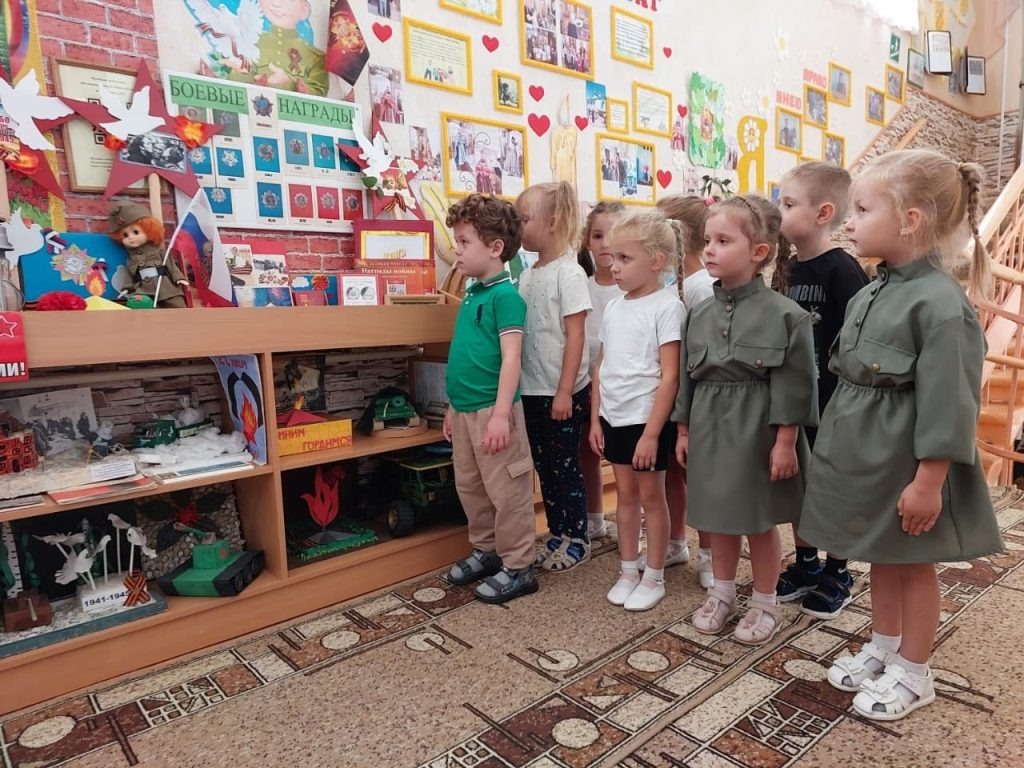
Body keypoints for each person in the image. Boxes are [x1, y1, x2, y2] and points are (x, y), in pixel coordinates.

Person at [799, 150, 1003, 720]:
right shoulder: (872, 290)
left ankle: (915, 671)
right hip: (868, 458)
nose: (849, 221)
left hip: (909, 463)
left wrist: (929, 481)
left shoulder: (941, 304)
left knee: (912, 564)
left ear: (910, 220)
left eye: (863, 210)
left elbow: (950, 402)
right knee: (881, 556)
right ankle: (885, 646)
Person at [674, 195, 817, 645]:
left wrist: (785, 442)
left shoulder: (788, 316)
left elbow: (795, 385)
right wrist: (683, 428)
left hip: (760, 431)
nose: (709, 249)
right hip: (710, 428)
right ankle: (722, 593)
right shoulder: (698, 313)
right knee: (717, 519)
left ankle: (764, 601)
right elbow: (687, 377)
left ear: (759, 252)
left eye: (723, 240)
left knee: (759, 521)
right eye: (707, 240)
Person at [773, 162, 870, 619]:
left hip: (834, 403)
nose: (779, 211)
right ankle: (807, 562)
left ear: (823, 212)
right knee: (799, 486)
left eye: (789, 203)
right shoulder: (787, 268)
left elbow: (858, 335)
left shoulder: (842, 270)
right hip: (797, 401)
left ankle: (838, 569)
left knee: (834, 489)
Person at [441, 194, 538, 604]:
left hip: (495, 412)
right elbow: (465, 355)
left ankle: (519, 565)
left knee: (507, 491)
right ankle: (487, 550)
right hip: (465, 411)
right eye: (457, 242)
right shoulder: (472, 294)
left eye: (464, 242)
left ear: (495, 247)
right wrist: (452, 406)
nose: (457, 251)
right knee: (471, 486)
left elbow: (511, 358)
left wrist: (500, 415)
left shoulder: (505, 297)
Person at [591, 210, 685, 611]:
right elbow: (601, 365)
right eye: (613, 257)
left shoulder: (667, 307)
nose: (614, 266)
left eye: (625, 258)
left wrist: (651, 434)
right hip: (614, 418)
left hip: (647, 421)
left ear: (657, 261)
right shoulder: (614, 307)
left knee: (651, 497)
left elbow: (670, 376)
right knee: (625, 496)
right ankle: (629, 570)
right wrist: (596, 419)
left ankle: (654, 576)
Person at [516, 181, 593, 572]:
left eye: (524, 219)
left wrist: (564, 391)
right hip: (531, 389)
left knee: (565, 468)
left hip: (561, 391)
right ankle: (556, 531)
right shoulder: (527, 275)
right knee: (544, 468)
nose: (518, 227)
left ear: (553, 221)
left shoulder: (570, 273)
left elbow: (576, 335)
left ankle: (577, 537)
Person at [657, 195, 718, 588]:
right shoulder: (671, 285)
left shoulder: (703, 287)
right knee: (671, 474)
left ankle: (709, 554)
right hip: (669, 394)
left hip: (694, 398)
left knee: (698, 479)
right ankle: (675, 542)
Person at [577, 201, 626, 540]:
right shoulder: (581, 285)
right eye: (597, 236)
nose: (605, 243)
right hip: (586, 383)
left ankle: (631, 523)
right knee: (587, 453)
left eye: (613, 234)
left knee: (625, 461)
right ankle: (594, 519)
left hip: (621, 388)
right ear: (587, 242)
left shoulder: (631, 289)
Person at [107, 202, 189, 308]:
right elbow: (129, 275)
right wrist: (127, 287)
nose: (130, 238)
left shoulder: (159, 252)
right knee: (141, 304)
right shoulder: (131, 259)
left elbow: (171, 266)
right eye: (125, 235)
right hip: (145, 291)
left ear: (149, 230)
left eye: (136, 232)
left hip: (166, 287)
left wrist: (179, 278)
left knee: (177, 304)